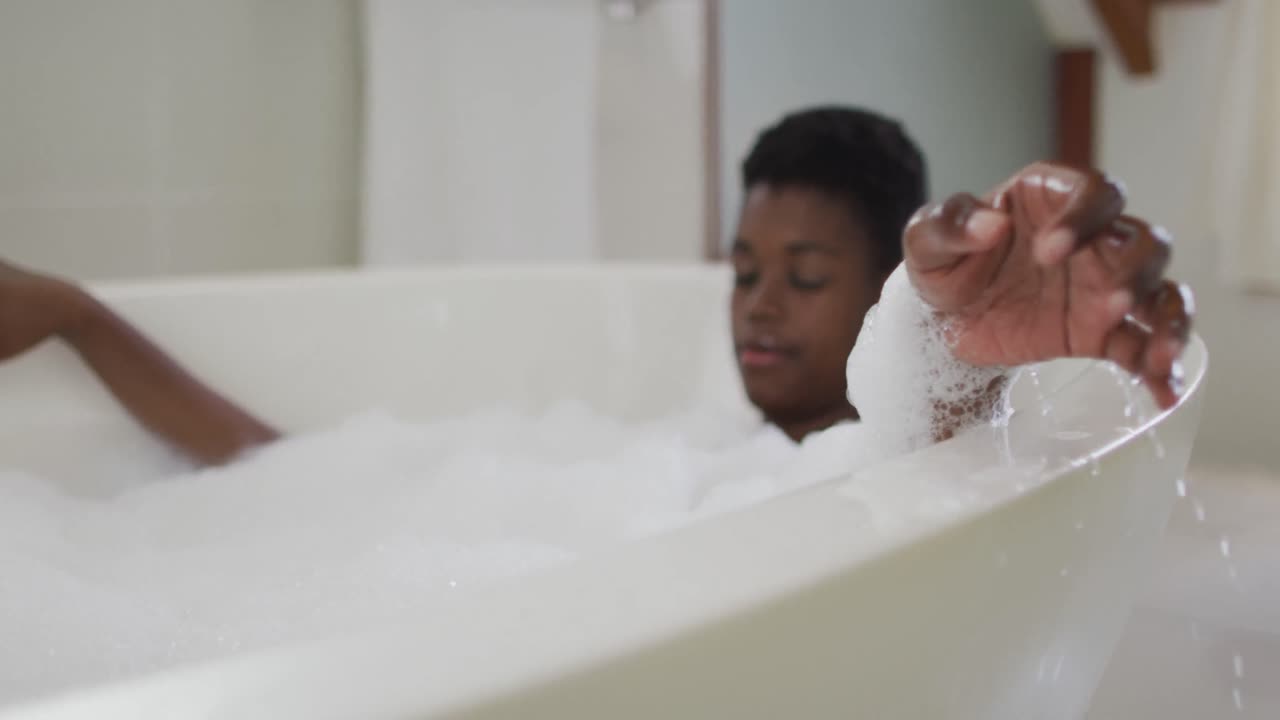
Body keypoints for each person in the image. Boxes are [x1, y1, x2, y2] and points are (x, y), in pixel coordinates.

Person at [0, 107, 1192, 466]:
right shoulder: (682, 460)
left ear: (889, 293)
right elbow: (281, 470)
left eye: (807, 274)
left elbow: (932, 440)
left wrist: (948, 356)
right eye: (740, 271)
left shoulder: (892, 461)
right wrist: (79, 320)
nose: (756, 305)